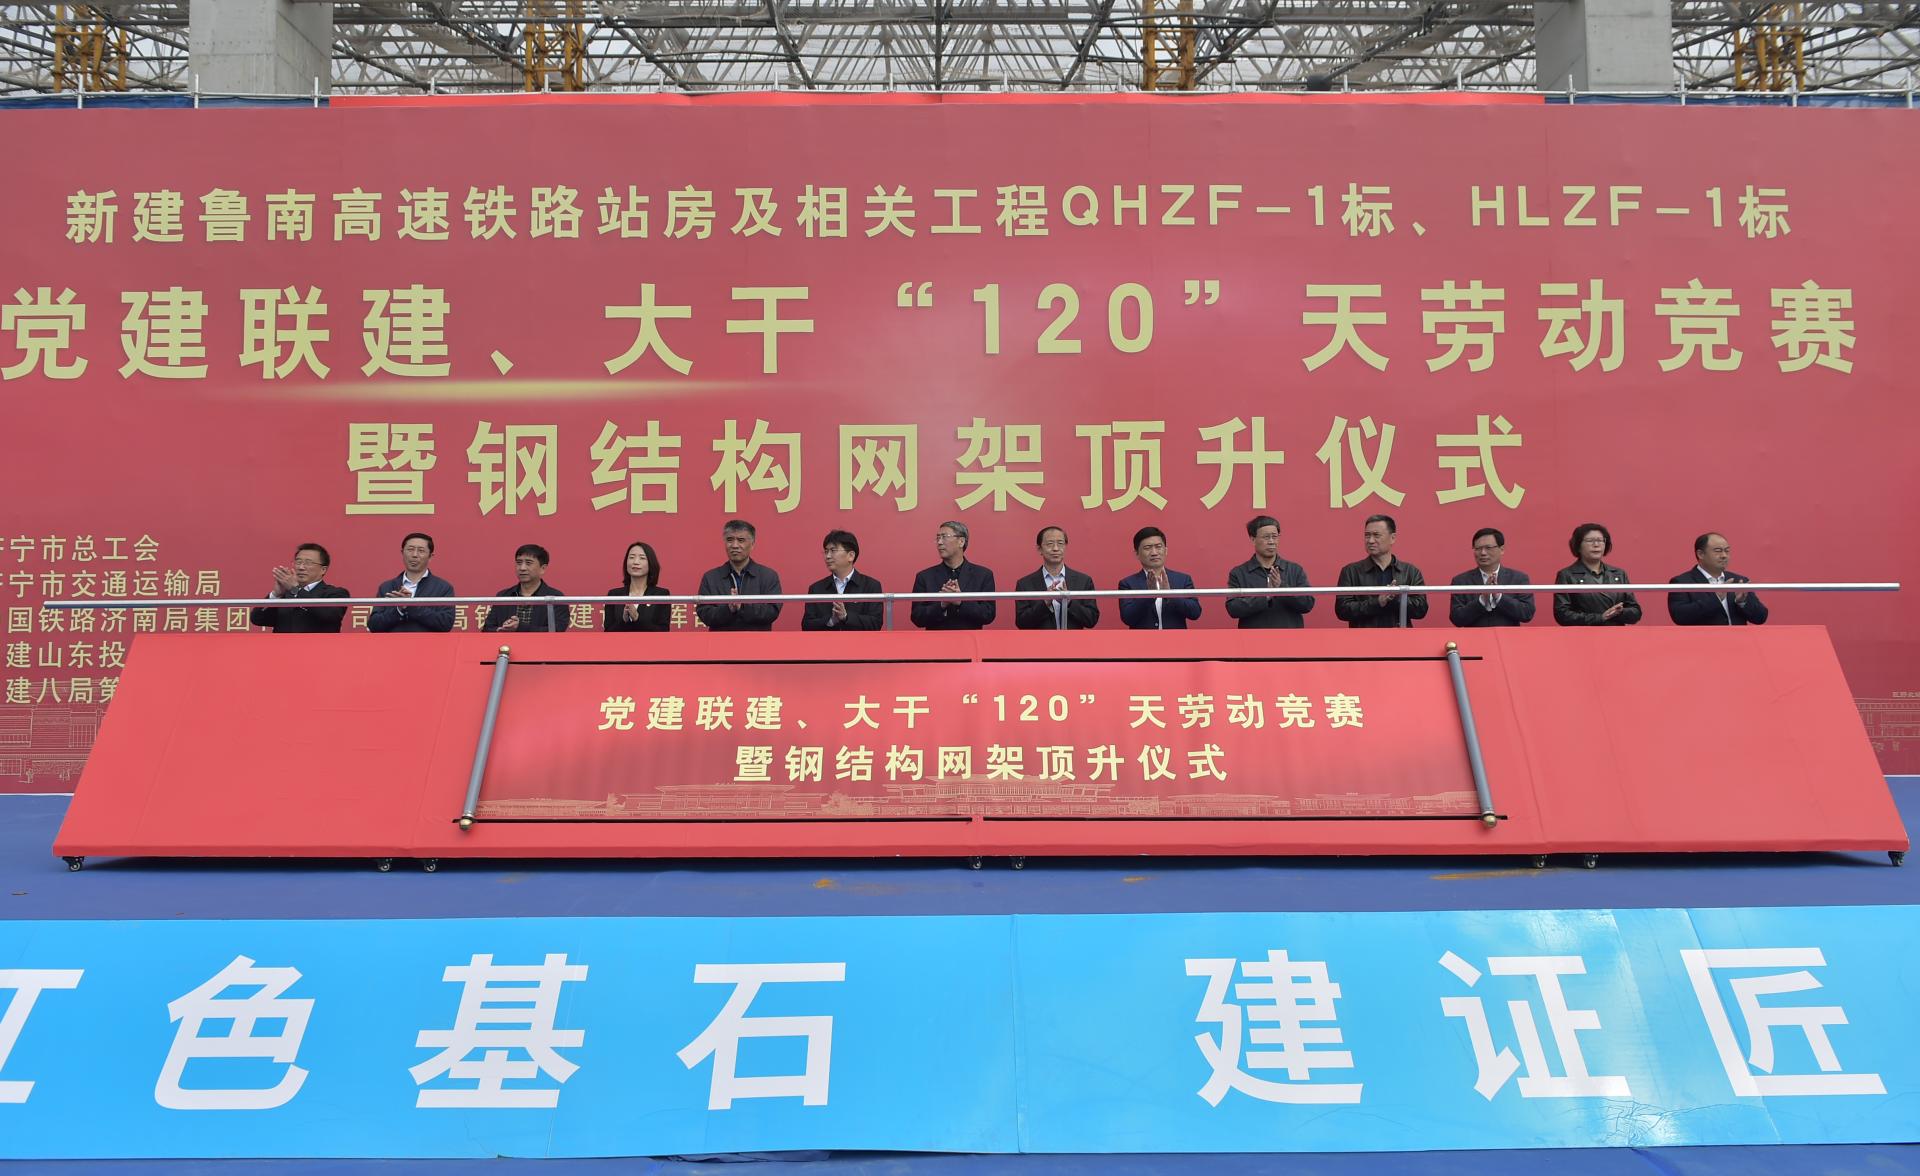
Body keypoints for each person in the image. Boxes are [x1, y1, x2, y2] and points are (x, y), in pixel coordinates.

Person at [1334, 514, 1428, 628]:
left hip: (1399, 636)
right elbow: (1342, 610)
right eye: (1367, 535)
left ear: (1392, 538)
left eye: (1376, 535)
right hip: (1363, 636)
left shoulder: (1410, 571)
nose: (1370, 540)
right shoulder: (1350, 571)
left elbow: (1421, 609)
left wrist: (1396, 598)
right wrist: (1378, 602)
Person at [1224, 515, 1313, 629]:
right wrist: (1266, 596)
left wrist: (1282, 588)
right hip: (1253, 638)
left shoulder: (1295, 570)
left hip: (1290, 636)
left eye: (1274, 536)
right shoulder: (1239, 573)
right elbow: (1233, 609)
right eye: (1266, 537)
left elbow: (1307, 604)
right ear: (1253, 539)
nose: (1271, 541)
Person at [696, 520, 783, 632]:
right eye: (729, 540)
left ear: (752, 544)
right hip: (721, 641)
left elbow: (772, 611)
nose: (735, 545)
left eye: (741, 540)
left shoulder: (768, 576)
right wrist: (728, 608)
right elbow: (704, 613)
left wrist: (742, 606)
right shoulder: (711, 577)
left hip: (757, 640)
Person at [1669, 532, 1768, 626]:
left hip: (1738, 638)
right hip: (1704, 638)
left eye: (1727, 551)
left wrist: (1742, 602)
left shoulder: (1739, 581)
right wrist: (1716, 598)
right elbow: (1680, 617)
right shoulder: (1682, 582)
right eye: (1718, 551)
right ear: (1700, 554)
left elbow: (1761, 617)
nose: (1724, 556)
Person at [911, 520, 996, 630]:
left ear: (961, 541)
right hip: (936, 639)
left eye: (944, 537)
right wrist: (942, 604)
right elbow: (917, 617)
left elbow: (988, 614)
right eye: (938, 538)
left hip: (969, 638)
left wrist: (960, 602)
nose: (939, 542)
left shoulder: (983, 575)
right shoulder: (925, 577)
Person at [1553, 523, 1641, 626]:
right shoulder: (1567, 575)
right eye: (1590, 541)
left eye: (1600, 540)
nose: (1596, 544)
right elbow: (1562, 615)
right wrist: (1600, 617)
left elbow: (1636, 612)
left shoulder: (1619, 574)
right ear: (1578, 546)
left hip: (1616, 633)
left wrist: (1619, 612)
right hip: (1584, 634)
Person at [251, 542, 349, 633]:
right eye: (298, 562)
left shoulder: (336, 593)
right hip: (284, 646)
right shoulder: (286, 595)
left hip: (318, 646)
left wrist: (296, 590)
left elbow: (330, 616)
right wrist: (276, 595)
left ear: (323, 569)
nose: (301, 567)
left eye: (308, 563)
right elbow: (257, 619)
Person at [368, 532, 456, 633]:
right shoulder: (387, 587)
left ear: (430, 556)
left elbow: (445, 623)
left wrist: (411, 606)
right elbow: (374, 625)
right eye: (410, 549)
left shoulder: (443, 588)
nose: (414, 555)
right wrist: (398, 610)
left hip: (428, 642)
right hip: (394, 642)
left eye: (421, 551)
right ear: (402, 553)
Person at [1014, 525, 1098, 630]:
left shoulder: (1084, 581)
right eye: (1050, 544)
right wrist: (1045, 603)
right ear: (1039, 549)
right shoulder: (1024, 584)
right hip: (1040, 640)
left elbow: (1091, 619)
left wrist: (1068, 602)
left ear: (1065, 547)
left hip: (1074, 640)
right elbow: (1021, 623)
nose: (1055, 548)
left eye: (1060, 543)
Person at [1448, 527, 1535, 628]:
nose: (1483, 553)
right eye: (1478, 548)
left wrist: (1499, 596)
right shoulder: (1460, 581)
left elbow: (1527, 614)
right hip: (1474, 637)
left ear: (1502, 550)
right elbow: (1457, 619)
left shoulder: (1519, 578)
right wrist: (1482, 600)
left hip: (1508, 636)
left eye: (1488, 548)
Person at [1118, 527, 1201, 630]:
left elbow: (1195, 613)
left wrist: (1170, 595)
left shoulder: (1183, 579)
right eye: (1147, 548)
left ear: (1165, 551)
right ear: (1137, 554)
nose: (1154, 552)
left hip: (1175, 639)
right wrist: (1149, 595)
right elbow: (1127, 617)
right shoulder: (1127, 583)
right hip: (1143, 639)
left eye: (1158, 547)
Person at [802, 530, 883, 631]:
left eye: (833, 550)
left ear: (851, 556)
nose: (827, 556)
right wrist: (831, 621)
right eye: (826, 551)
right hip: (827, 641)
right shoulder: (816, 589)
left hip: (859, 641)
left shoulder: (870, 586)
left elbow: (876, 623)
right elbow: (806, 626)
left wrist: (846, 617)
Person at [482, 543, 568, 632]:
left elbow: (557, 631)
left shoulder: (556, 598)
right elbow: (487, 629)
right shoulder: (503, 596)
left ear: (543, 568)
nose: (522, 568)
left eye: (528, 563)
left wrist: (520, 627)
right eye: (519, 563)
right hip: (506, 641)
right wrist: (501, 630)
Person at [605, 540, 671, 632]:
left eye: (642, 558)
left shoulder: (661, 594)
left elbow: (663, 632)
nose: (636, 562)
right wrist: (624, 620)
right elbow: (607, 632)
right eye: (631, 557)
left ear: (651, 563)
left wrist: (637, 618)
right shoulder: (614, 595)